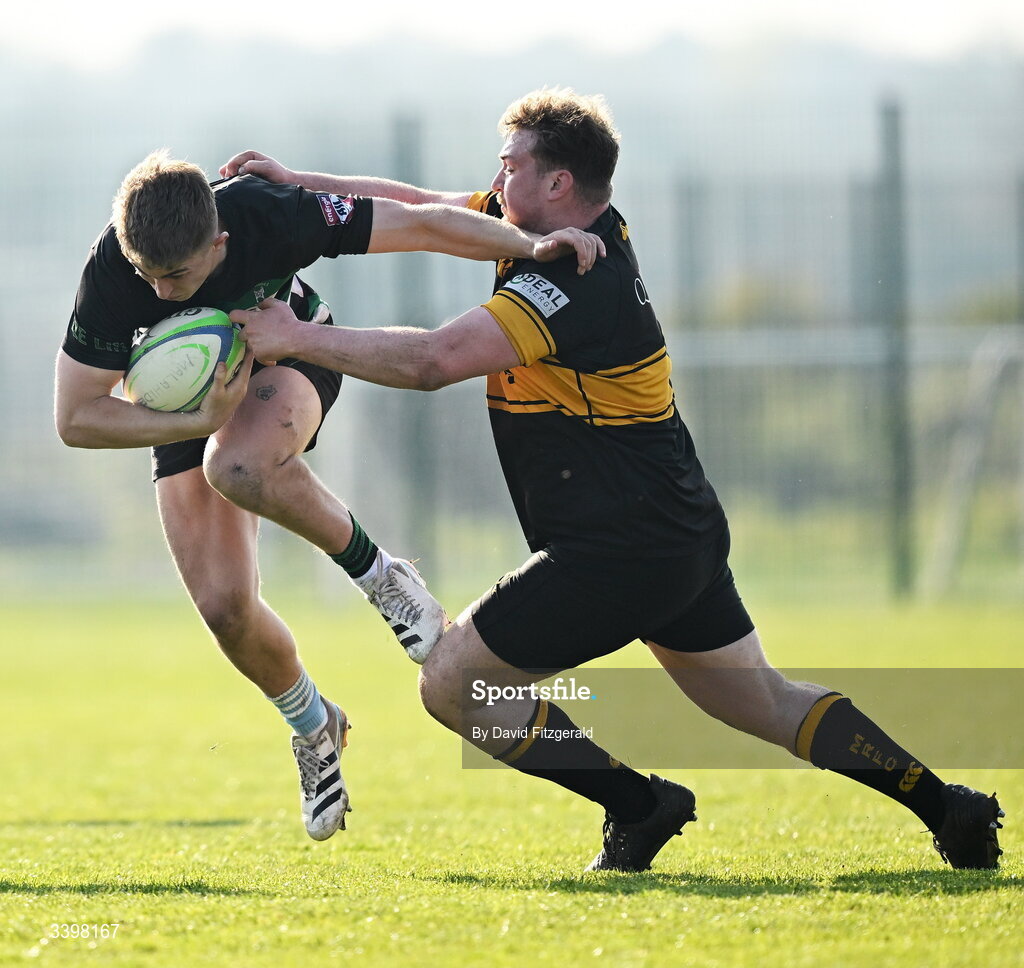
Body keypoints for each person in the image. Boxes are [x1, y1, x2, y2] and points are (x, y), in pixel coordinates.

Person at [221, 88, 1005, 871]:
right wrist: (300, 184)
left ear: (559, 184)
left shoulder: (568, 283)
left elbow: (433, 362)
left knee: (453, 684)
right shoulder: (549, 233)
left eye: (513, 161)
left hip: (618, 548)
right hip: (676, 531)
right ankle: (950, 808)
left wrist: (296, 337)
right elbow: (420, 206)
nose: (498, 172)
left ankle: (640, 806)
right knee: (764, 699)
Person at [55, 149, 604, 844]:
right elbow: (75, 418)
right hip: (184, 404)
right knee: (225, 609)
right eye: (148, 277)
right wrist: (190, 421)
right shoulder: (115, 270)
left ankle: (384, 579)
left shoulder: (269, 217)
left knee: (240, 467)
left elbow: (421, 225)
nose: (162, 294)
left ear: (219, 243)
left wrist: (530, 244)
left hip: (288, 355)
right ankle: (315, 726)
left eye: (180, 276)